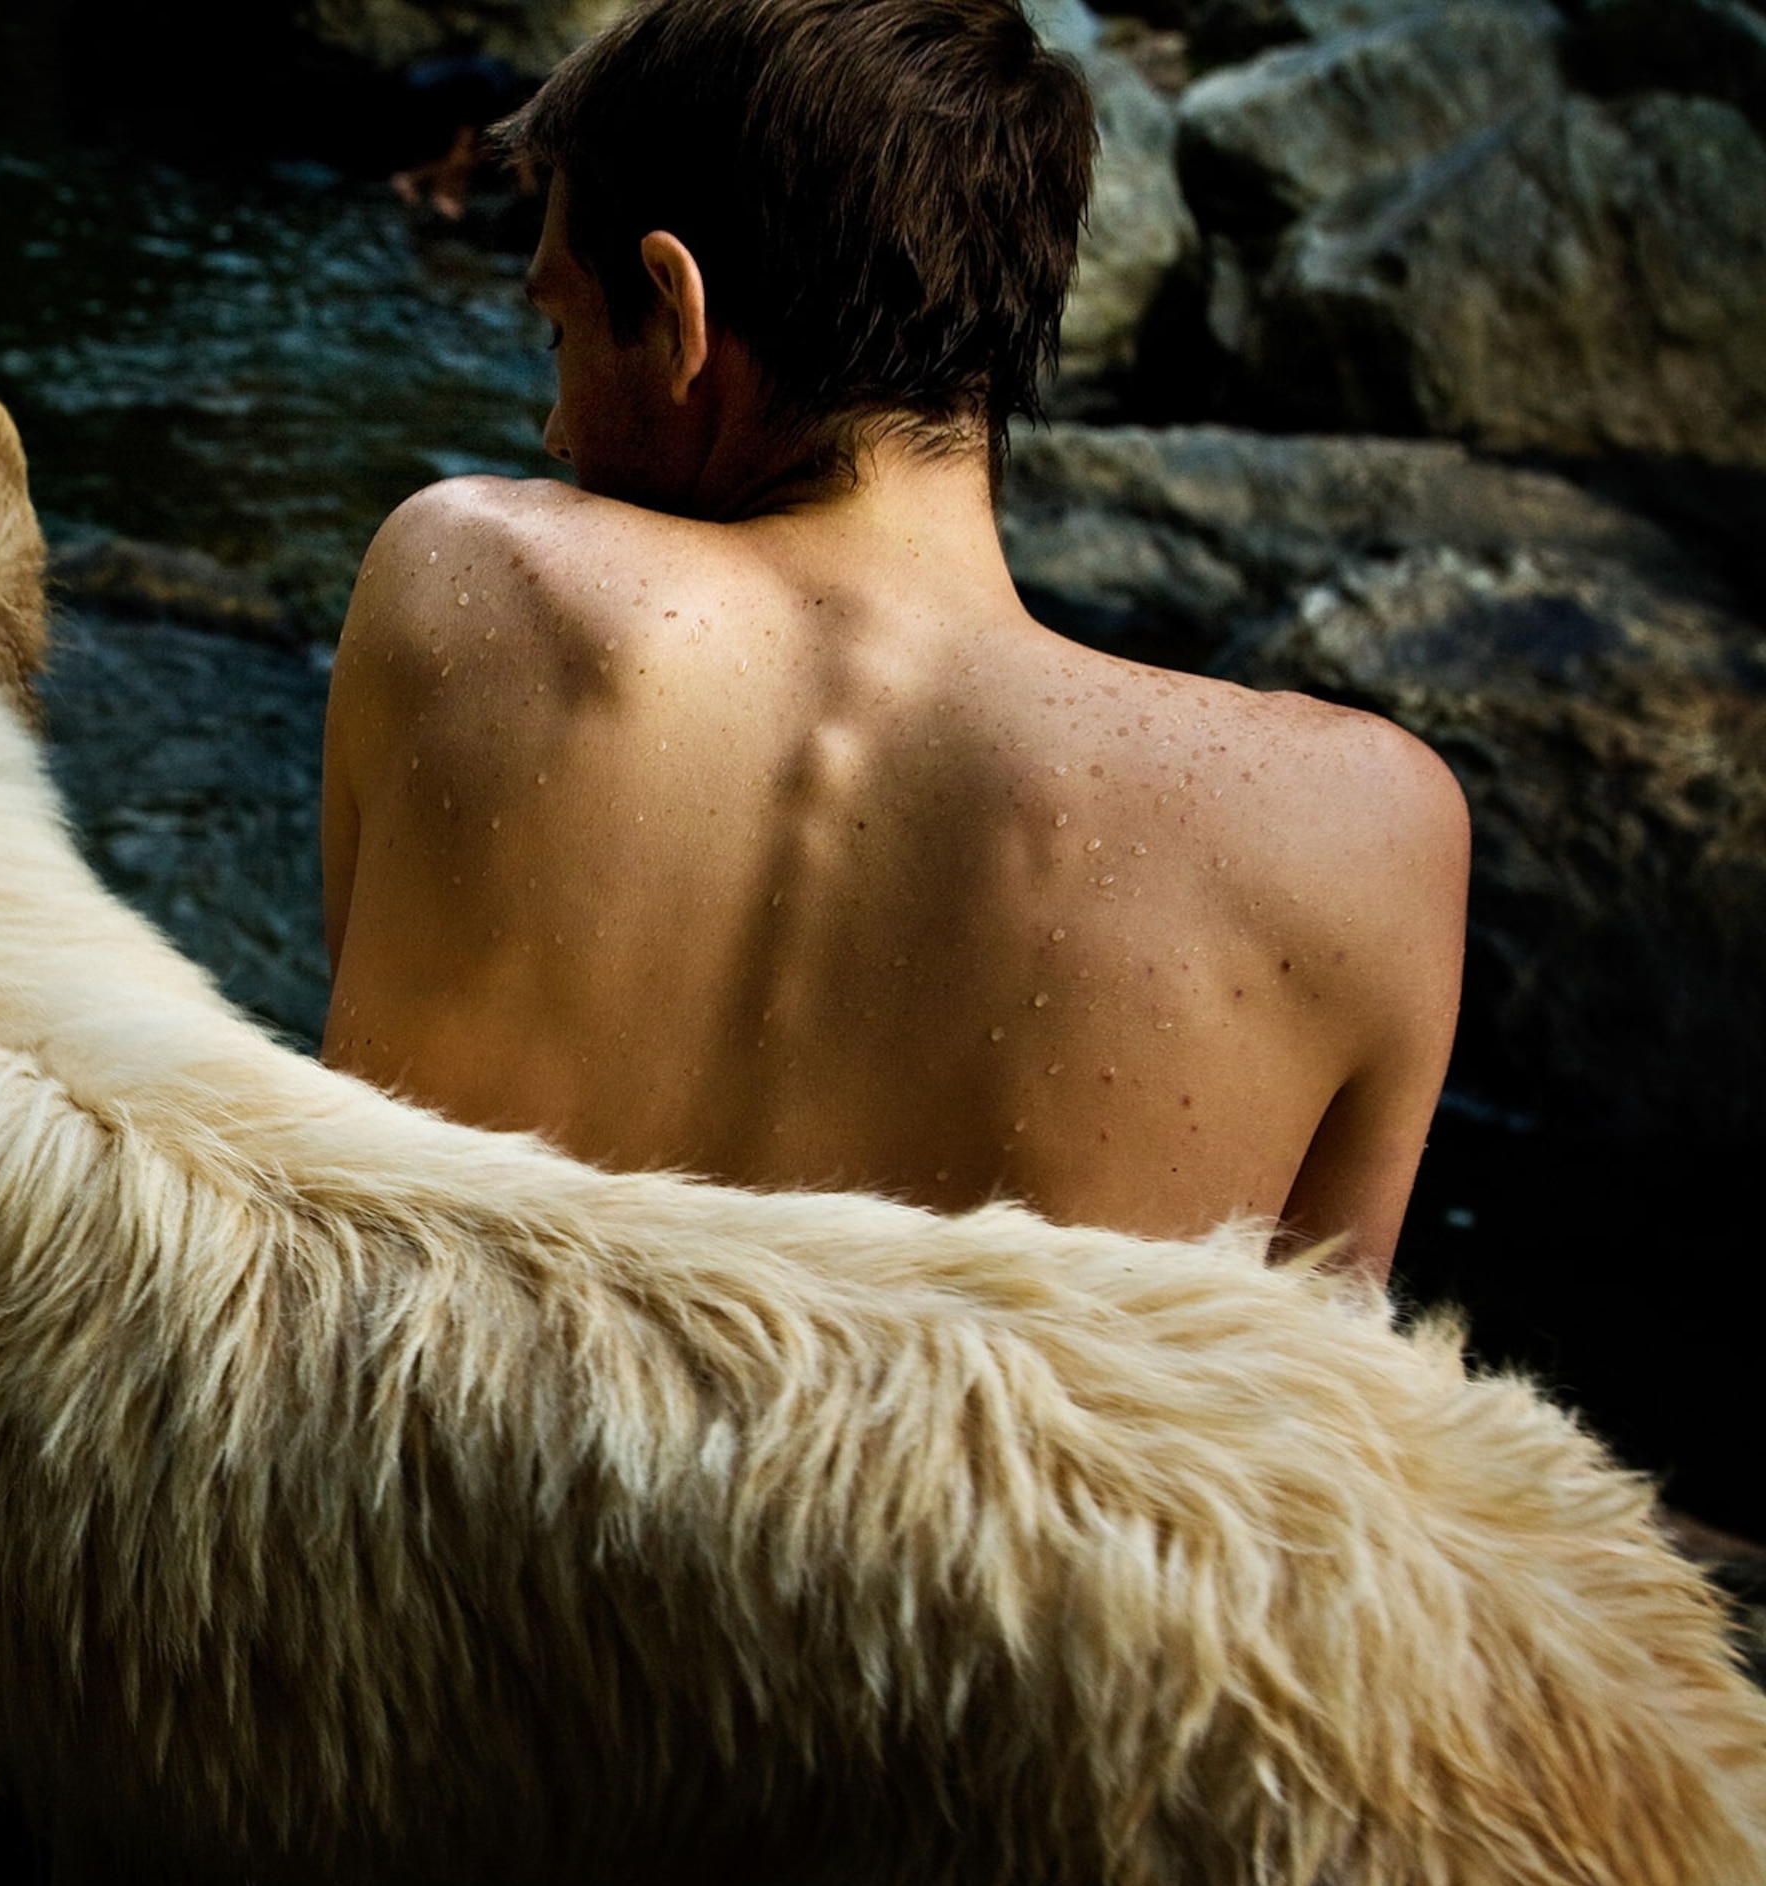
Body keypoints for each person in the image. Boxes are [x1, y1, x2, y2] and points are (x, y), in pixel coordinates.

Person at [318, 0, 1469, 1277]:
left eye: (558, 333)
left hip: (444, 1476)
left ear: (675, 305)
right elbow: (1323, 1435)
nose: (549, 429)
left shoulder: (463, 577)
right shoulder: (1363, 836)